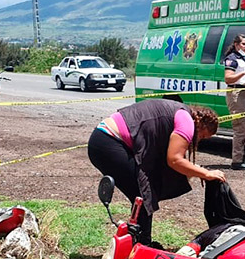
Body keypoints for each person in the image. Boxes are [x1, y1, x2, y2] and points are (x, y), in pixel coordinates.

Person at [87, 99, 226, 246]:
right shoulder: (187, 123)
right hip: (108, 141)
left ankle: (139, 243)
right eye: (203, 136)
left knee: (142, 194)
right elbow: (174, 160)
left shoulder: (180, 113)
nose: (199, 140)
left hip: (103, 138)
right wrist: (205, 173)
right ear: (201, 125)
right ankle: (141, 246)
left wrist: (196, 170)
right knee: (143, 193)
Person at [223, 34, 245, 170]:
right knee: (240, 128)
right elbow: (228, 78)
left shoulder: (242, 59)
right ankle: (236, 161)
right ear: (236, 45)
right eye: (243, 44)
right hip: (236, 94)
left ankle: (242, 157)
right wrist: (244, 74)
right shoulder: (232, 59)